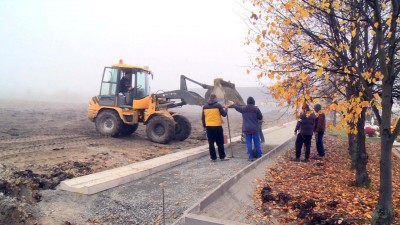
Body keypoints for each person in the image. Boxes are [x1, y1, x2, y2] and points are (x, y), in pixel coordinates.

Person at [233, 96, 263, 161]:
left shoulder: (243, 109)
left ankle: (250, 156)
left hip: (246, 129)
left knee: (248, 143)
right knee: (257, 142)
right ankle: (259, 155)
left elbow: (237, 108)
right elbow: (260, 117)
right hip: (254, 129)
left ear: (247, 102)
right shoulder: (256, 109)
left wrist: (233, 105)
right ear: (253, 102)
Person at [202, 94, 229, 162]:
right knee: (220, 142)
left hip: (209, 127)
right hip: (217, 126)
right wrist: (226, 108)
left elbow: (203, 118)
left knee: (211, 143)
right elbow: (224, 114)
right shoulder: (218, 105)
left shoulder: (205, 107)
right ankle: (222, 157)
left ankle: (213, 158)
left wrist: (204, 127)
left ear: (209, 99)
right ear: (215, 98)